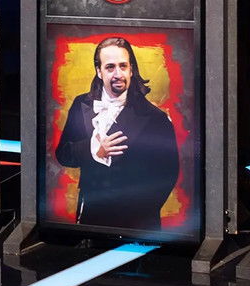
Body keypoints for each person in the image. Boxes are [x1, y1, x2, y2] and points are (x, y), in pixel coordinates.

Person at [54, 37, 179, 232]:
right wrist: (93, 149)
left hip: (138, 225)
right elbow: (63, 154)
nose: (118, 74)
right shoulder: (81, 104)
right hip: (91, 219)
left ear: (131, 69)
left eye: (123, 66)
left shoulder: (156, 118)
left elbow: (168, 174)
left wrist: (138, 216)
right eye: (110, 67)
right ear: (99, 71)